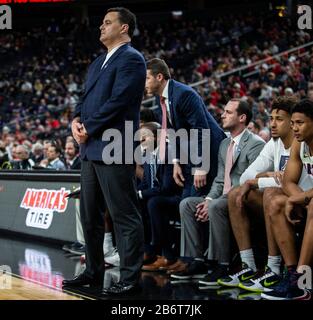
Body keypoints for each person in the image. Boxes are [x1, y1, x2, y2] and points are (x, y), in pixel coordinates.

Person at [62, 7, 146, 296]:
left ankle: (130, 277)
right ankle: (94, 270)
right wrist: (75, 120)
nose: (101, 27)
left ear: (124, 28)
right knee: (90, 216)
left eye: (108, 22)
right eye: (101, 22)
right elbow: (84, 98)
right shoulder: (98, 62)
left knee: (124, 214)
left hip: (114, 145)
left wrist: (89, 126)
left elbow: (120, 100)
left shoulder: (133, 59)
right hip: (90, 147)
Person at [171, 99, 265, 284]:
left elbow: (249, 183)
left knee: (215, 206)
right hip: (222, 196)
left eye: (228, 112)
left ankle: (222, 264)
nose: (222, 115)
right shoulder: (224, 144)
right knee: (187, 204)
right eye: (224, 111)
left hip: (242, 198)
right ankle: (196, 261)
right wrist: (207, 199)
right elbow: (220, 180)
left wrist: (213, 202)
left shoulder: (256, 144)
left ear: (242, 117)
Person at [217, 96, 296, 292]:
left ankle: (274, 267)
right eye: (271, 118)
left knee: (270, 193)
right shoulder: (273, 143)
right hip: (280, 200)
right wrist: (267, 174)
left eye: (280, 119)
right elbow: (246, 176)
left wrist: (260, 181)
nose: (273, 124)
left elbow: (291, 184)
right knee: (237, 192)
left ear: (292, 121)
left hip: (298, 202)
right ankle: (248, 264)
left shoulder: (301, 143)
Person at [145, 58, 226, 199]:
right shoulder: (161, 99)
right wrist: (176, 162)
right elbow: (173, 133)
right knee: (186, 204)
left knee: (196, 205)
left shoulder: (183, 94)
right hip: (189, 157)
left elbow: (201, 129)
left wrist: (201, 166)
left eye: (147, 78)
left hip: (208, 154)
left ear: (159, 77)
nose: (143, 83)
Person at [262, 99, 313, 300]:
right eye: (292, 123)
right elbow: (288, 182)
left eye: (300, 123)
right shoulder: (299, 145)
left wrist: (299, 198)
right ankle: (292, 275)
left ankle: (303, 280)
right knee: (275, 201)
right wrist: (296, 199)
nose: (295, 128)